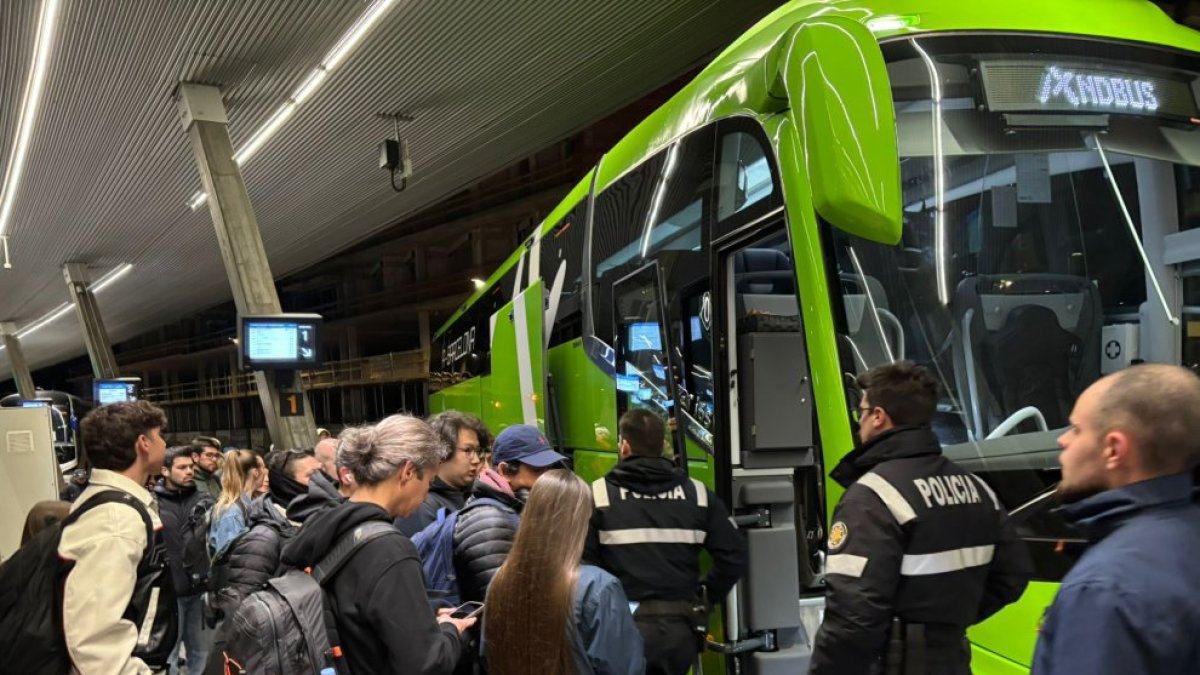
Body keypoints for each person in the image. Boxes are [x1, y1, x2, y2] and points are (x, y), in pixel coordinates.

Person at [809, 362, 1031, 675]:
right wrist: (943, 627)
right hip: (953, 661)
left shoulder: (872, 497)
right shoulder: (976, 488)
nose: (860, 424)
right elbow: (1013, 575)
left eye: (862, 412)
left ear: (879, 417)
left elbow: (852, 620)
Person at [1032, 364, 1200, 674]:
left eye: (1076, 430)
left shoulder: (1104, 588)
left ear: (1114, 449)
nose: (1063, 441)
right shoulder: (1187, 531)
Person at [280, 415, 474, 675]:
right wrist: (451, 630)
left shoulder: (324, 524)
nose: (426, 493)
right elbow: (426, 664)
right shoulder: (389, 548)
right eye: (428, 482)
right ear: (407, 472)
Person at [584, 409, 746, 675]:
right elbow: (734, 554)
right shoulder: (697, 494)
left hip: (622, 627)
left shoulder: (599, 496)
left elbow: (585, 568)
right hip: (681, 630)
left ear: (624, 445)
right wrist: (704, 597)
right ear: (661, 446)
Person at [484, 469, 645, 675]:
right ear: (581, 521)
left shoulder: (500, 581)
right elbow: (624, 667)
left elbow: (488, 655)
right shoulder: (598, 587)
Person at [59, 400, 177, 673]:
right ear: (143, 443)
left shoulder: (108, 503)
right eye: (160, 436)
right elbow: (94, 640)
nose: (164, 445)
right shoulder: (117, 521)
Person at [453, 424, 568, 603]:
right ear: (505, 471)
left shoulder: (511, 508)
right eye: (537, 470)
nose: (547, 477)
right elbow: (508, 604)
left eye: (549, 468)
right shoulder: (488, 521)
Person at [156, 446, 215, 675]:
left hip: (201, 592)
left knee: (201, 653)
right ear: (165, 471)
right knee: (168, 656)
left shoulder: (205, 502)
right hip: (169, 595)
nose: (189, 471)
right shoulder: (153, 504)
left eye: (191, 466)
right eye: (181, 468)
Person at [395, 411, 491, 536]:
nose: (476, 460)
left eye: (477, 451)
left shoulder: (474, 496)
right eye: (468, 450)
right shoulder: (420, 506)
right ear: (443, 451)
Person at [207, 450, 265, 558]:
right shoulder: (232, 512)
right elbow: (232, 557)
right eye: (263, 467)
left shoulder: (247, 503)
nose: (265, 471)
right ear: (255, 472)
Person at [264, 447, 323, 520]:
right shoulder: (270, 529)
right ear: (288, 484)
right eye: (312, 475)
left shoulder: (330, 508)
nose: (322, 479)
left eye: (321, 472)